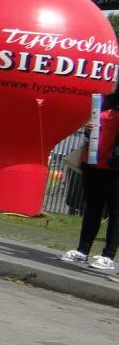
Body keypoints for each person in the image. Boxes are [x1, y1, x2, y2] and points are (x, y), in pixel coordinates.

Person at [61, 91, 119, 273]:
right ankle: (82, 250)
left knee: (116, 211)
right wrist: (89, 129)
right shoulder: (106, 100)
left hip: (115, 166)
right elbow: (95, 124)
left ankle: (108, 256)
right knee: (92, 207)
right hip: (92, 162)